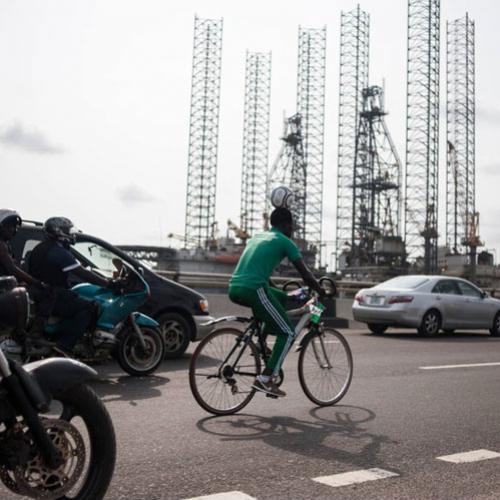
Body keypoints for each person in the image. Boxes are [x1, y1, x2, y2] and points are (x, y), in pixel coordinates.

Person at [228, 207, 324, 398]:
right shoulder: (285, 242)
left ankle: (262, 342)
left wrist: (282, 295)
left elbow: (259, 273)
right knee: (288, 332)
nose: (293, 230)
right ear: (287, 225)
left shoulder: (257, 237)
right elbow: (305, 274)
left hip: (235, 287)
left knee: (280, 297)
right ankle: (265, 379)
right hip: (253, 289)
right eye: (292, 226)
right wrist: (322, 291)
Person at [29, 217, 111, 355]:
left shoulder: (40, 247)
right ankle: (66, 346)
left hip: (41, 294)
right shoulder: (58, 251)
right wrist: (109, 284)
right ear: (58, 232)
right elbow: (82, 273)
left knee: (75, 300)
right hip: (51, 297)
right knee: (90, 307)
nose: (71, 234)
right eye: (68, 231)